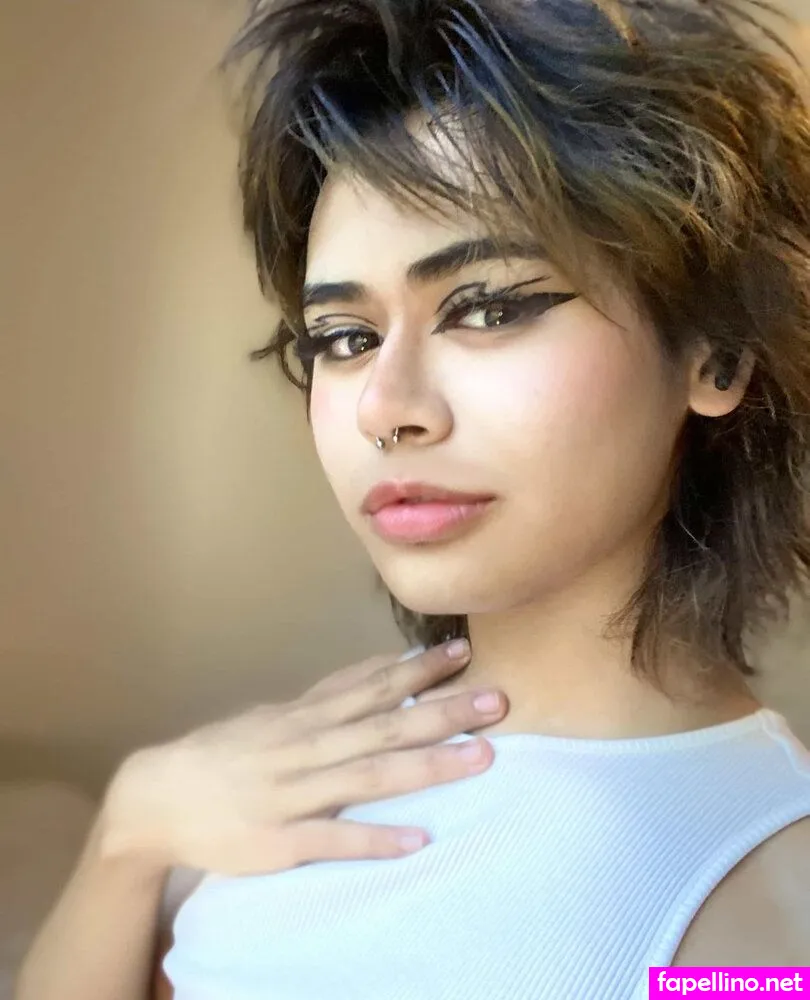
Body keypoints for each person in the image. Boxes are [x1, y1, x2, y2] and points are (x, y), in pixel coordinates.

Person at [15, 0, 810, 997]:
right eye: (344, 338)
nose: (384, 409)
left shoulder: (765, 915)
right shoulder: (304, 760)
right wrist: (131, 834)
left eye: (488, 308)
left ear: (717, 353)